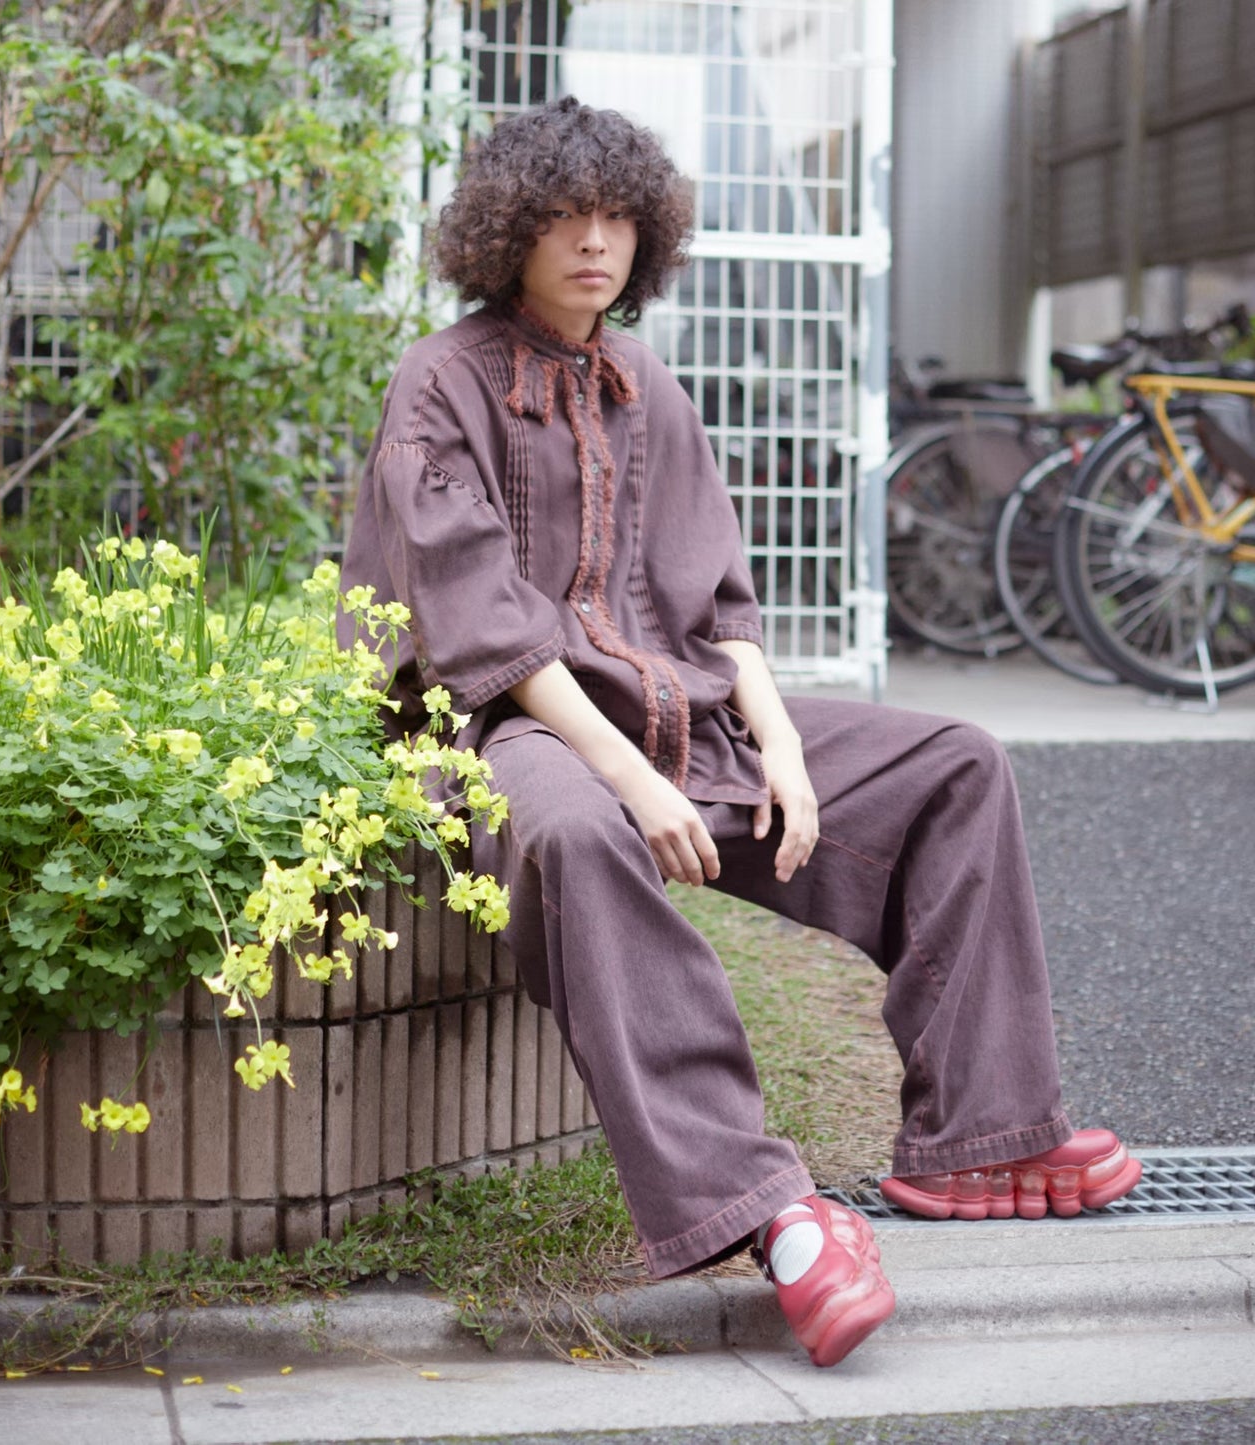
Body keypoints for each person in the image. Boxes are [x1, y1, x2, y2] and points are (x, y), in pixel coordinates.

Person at [338, 96, 1142, 1369]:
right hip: (499, 730)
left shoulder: (643, 380)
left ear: (645, 234)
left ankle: (975, 1138)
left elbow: (718, 600)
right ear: (509, 232)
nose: (593, 243)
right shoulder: (441, 381)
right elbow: (475, 624)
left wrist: (767, 731)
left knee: (951, 763)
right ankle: (770, 1213)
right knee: (574, 828)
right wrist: (621, 776)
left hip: (673, 713)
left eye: (615, 218)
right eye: (563, 218)